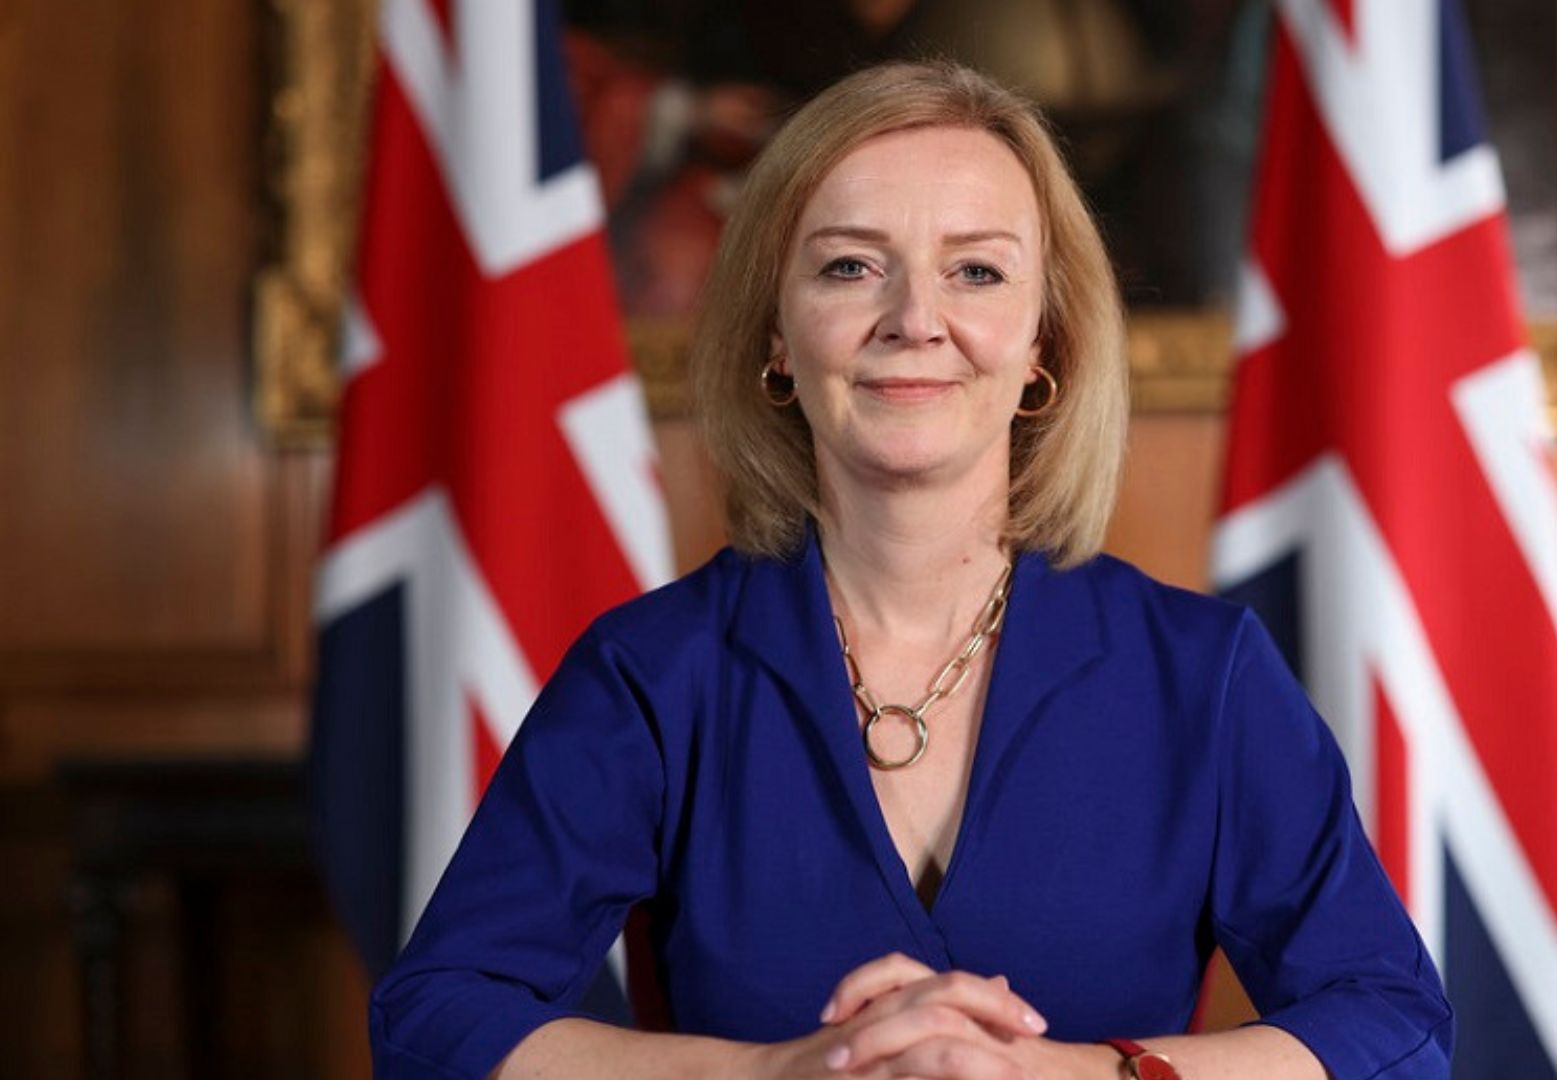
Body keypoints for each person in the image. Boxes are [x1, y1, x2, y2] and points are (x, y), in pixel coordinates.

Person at [370, 61, 1451, 1080]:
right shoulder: (652, 673)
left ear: (1044, 341)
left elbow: (1393, 1024)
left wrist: (1078, 1072)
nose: (915, 321)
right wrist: (775, 1072)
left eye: (976, 271)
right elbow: (437, 1020)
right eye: (850, 266)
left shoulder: (1203, 675)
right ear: (777, 335)